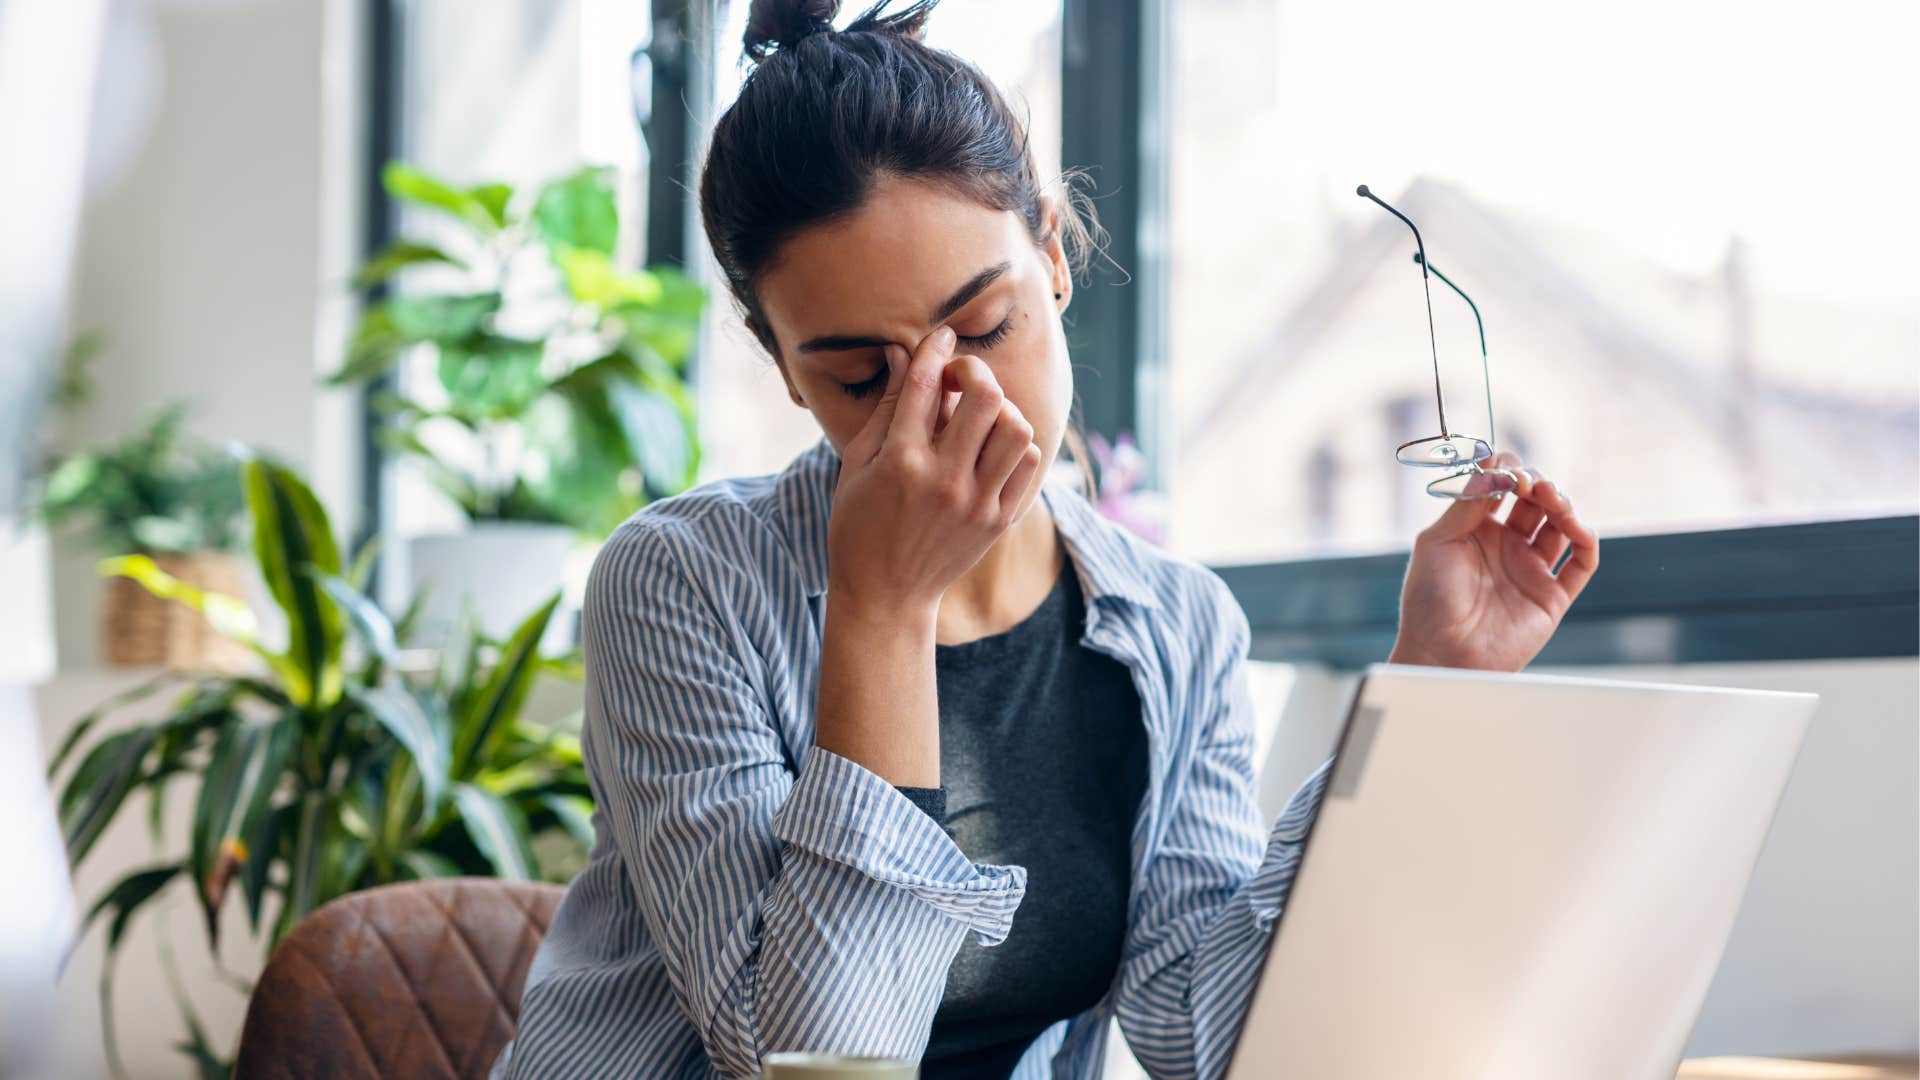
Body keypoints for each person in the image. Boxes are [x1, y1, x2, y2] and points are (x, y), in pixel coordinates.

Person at [493, 2, 1599, 1077]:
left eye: (984, 326)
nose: (950, 400)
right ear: (785, 367)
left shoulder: (1178, 627)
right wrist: (882, 614)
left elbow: (1205, 1035)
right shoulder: (683, 584)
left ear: (1055, 257)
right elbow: (814, 1067)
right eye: (863, 375)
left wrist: (1431, 688)